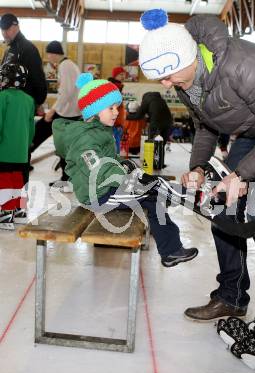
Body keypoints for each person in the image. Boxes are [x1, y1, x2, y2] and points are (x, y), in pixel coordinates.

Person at [138, 9, 255, 338]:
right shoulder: (189, 78)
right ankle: (231, 296)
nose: (165, 84)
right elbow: (206, 125)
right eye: (160, 78)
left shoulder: (244, 67)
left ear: (188, 56)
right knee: (221, 204)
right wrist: (197, 166)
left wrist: (241, 175)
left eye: (167, 75)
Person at [52, 73, 198, 267]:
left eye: (117, 107)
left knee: (154, 192)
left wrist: (125, 165)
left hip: (107, 188)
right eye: (110, 108)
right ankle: (171, 247)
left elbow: (109, 161)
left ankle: (170, 227)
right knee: (152, 197)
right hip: (97, 195)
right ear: (93, 111)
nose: (116, 112)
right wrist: (126, 177)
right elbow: (98, 172)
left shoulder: (100, 131)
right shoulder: (86, 140)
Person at [42, 40, 81, 187]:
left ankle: (67, 179)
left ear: (52, 53)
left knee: (64, 147)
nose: (48, 58)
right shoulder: (70, 65)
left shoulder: (65, 66)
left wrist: (52, 110)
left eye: (48, 55)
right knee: (67, 147)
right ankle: (67, 178)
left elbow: (66, 92)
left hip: (67, 113)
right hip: (72, 111)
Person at [0, 63, 35, 229]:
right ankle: (20, 212)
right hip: (22, 151)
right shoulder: (29, 100)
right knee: (19, 181)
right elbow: (31, 127)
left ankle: (6, 216)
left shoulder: (2, 97)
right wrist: (26, 145)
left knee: (6, 182)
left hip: (4, 151)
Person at [1, 13, 47, 106]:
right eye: (2, 29)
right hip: (8, 103)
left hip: (21, 106)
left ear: (17, 26)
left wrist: (37, 103)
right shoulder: (9, 50)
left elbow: (38, 79)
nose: (4, 33)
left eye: (8, 29)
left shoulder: (28, 49)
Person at [126, 91, 172, 164]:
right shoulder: (161, 100)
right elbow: (157, 113)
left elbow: (138, 115)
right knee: (161, 145)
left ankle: (152, 163)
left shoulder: (147, 100)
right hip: (168, 124)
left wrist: (125, 117)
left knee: (153, 144)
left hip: (156, 125)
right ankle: (159, 163)